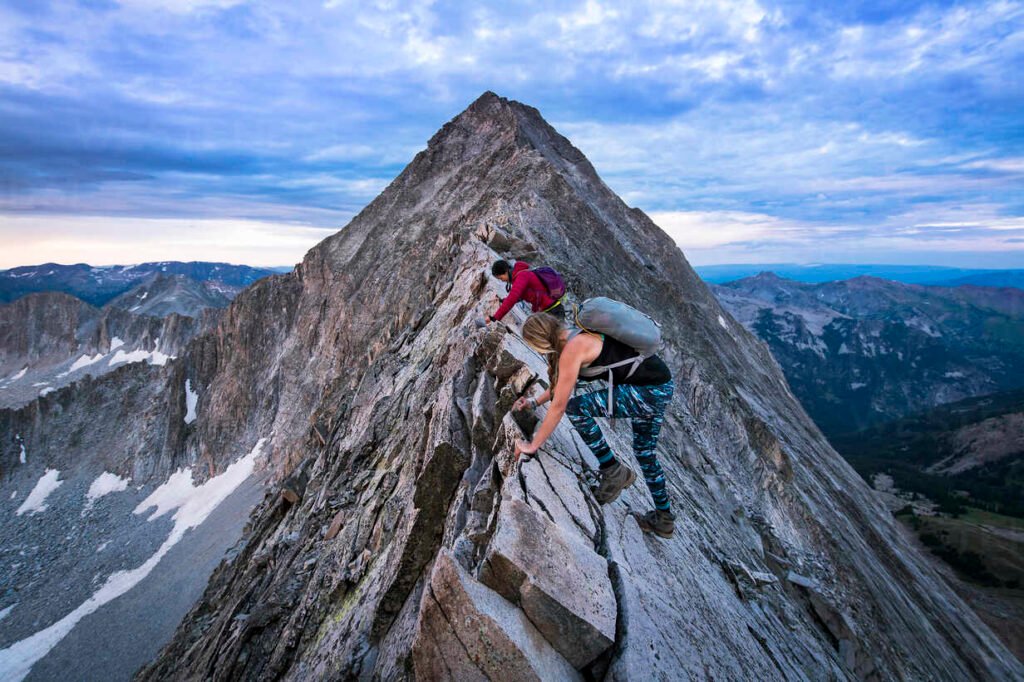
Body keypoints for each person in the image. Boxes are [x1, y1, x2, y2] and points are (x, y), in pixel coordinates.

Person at [512, 312, 676, 538]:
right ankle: (664, 518)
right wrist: (534, 402)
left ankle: (613, 470)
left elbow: (559, 406)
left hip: (649, 390)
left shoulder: (573, 349)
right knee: (644, 452)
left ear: (540, 341)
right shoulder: (572, 335)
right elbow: (562, 384)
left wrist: (532, 445)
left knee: (576, 408)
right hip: (661, 384)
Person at [486, 260, 565, 322]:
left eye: (501, 278)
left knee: (557, 337)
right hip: (546, 312)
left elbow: (512, 298)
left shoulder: (522, 276)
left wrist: (494, 317)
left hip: (553, 311)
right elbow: (519, 296)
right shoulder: (520, 277)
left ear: (506, 272)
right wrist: (502, 300)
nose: (502, 281)